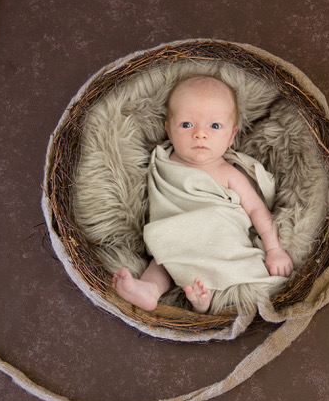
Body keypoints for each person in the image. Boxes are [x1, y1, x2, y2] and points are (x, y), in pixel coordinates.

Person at [113, 75, 294, 312]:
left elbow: (256, 209)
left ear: (231, 136)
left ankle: (204, 298)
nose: (200, 134)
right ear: (168, 129)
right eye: (187, 125)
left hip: (218, 237)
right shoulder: (161, 160)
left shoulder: (228, 173)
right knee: (164, 255)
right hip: (175, 236)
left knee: (211, 256)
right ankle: (150, 289)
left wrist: (274, 250)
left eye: (215, 126)